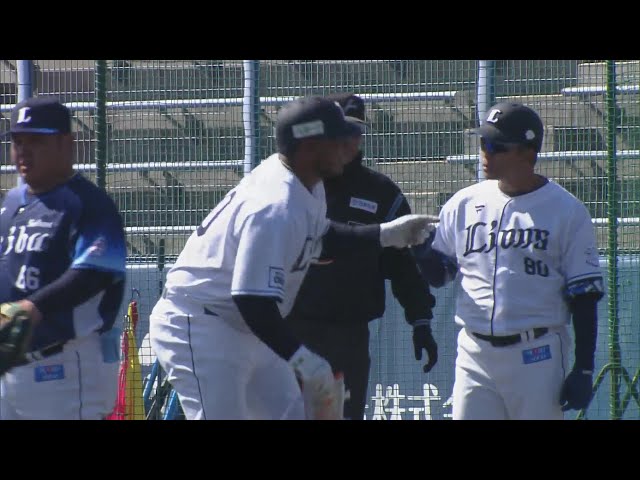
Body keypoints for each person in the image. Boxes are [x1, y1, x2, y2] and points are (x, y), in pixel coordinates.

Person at [149, 96, 437, 420]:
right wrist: (305, 361)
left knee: (293, 414)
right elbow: (252, 301)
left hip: (243, 326)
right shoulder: (274, 206)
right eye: (337, 138)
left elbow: (322, 237)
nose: (347, 145)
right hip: (201, 324)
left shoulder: (305, 182)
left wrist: (385, 235)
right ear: (310, 146)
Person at [414, 102, 604, 420]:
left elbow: (584, 295)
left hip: (537, 354)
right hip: (474, 353)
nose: (485, 151)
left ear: (528, 153)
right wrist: (419, 251)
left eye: (496, 145)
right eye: (483, 142)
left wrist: (584, 367)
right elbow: (439, 275)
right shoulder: (463, 203)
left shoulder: (566, 210)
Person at [285, 93, 438, 420]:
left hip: (348, 337)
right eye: (341, 131)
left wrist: (420, 319)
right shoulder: (295, 185)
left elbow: (403, 265)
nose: (349, 140)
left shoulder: (381, 192)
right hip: (292, 331)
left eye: (356, 131)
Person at [0, 96, 126, 420]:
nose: (24, 151)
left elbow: (94, 273)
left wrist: (32, 308)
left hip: (64, 369)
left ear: (66, 143)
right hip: (10, 368)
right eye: (18, 141)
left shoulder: (89, 204)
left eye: (36, 141)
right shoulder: (12, 202)